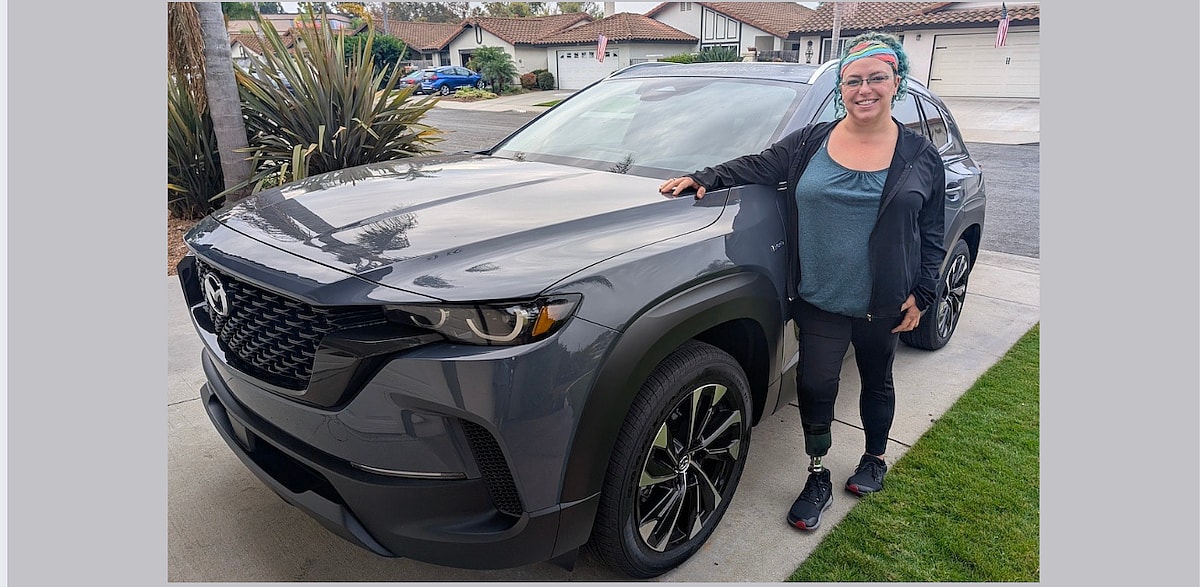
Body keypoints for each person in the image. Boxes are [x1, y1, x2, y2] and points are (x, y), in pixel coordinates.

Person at [659, 32, 946, 531]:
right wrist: (705, 177)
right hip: (820, 298)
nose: (865, 89)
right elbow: (758, 163)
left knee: (877, 382)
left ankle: (874, 458)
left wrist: (924, 292)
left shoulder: (921, 155)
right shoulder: (812, 141)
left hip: (885, 302)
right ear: (842, 87)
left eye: (877, 77)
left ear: (896, 82)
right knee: (816, 385)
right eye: (853, 80)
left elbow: (933, 231)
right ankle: (817, 473)